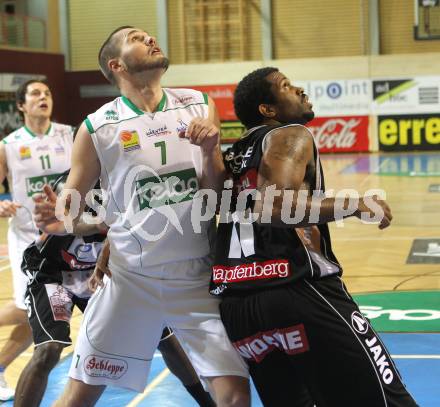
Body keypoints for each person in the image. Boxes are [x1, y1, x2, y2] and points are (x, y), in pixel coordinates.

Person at [34, 26, 249, 406]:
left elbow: (215, 195)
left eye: (150, 35)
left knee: (234, 395)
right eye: (137, 38)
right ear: (116, 64)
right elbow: (74, 212)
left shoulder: (198, 104)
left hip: (196, 279)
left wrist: (211, 150)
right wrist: (62, 222)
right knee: (78, 396)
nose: (151, 39)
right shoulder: (97, 127)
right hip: (129, 282)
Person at [210, 67, 419, 407]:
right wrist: (354, 204)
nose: (301, 90)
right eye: (287, 86)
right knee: (389, 400)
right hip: (296, 289)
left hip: (239, 307)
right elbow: (273, 205)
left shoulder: (230, 157)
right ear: (268, 110)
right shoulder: (289, 134)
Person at [14, 172, 216, 407]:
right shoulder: (73, 194)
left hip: (96, 275)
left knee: (165, 337)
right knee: (49, 348)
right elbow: (84, 225)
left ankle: (208, 403)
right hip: (54, 276)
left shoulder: (121, 196)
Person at [0, 80, 74, 400]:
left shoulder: (70, 135)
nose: (43, 97)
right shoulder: (9, 144)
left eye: (47, 92)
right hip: (26, 238)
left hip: (62, 236)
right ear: (21, 105)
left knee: (39, 320)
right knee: (35, 314)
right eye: (35, 94)